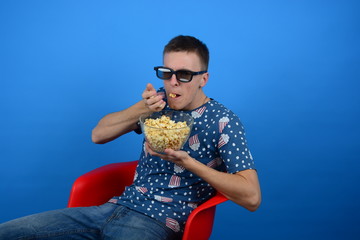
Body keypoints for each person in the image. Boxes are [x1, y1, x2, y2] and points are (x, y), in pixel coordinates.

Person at [0, 35, 261, 240]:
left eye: (184, 75)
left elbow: (252, 197)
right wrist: (142, 108)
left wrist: (189, 162)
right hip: (112, 209)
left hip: (158, 221)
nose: (173, 83)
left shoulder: (223, 121)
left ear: (204, 78)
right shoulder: (157, 103)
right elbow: (98, 135)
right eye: (166, 73)